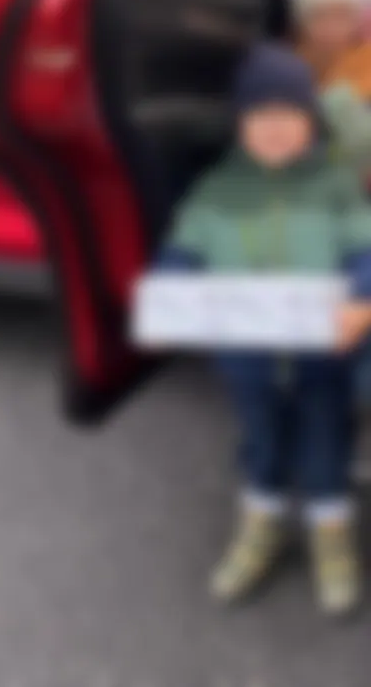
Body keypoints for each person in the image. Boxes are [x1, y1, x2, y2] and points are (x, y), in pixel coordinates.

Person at [156, 43, 366, 616]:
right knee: (261, 445)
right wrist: (171, 297)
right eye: (260, 116)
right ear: (241, 123)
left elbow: (363, 250)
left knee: (326, 446)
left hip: (324, 359)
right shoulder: (219, 193)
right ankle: (262, 525)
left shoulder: (333, 188)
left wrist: (361, 301)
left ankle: (331, 535)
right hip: (248, 361)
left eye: (288, 115)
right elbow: (184, 250)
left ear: (309, 122)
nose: (274, 129)